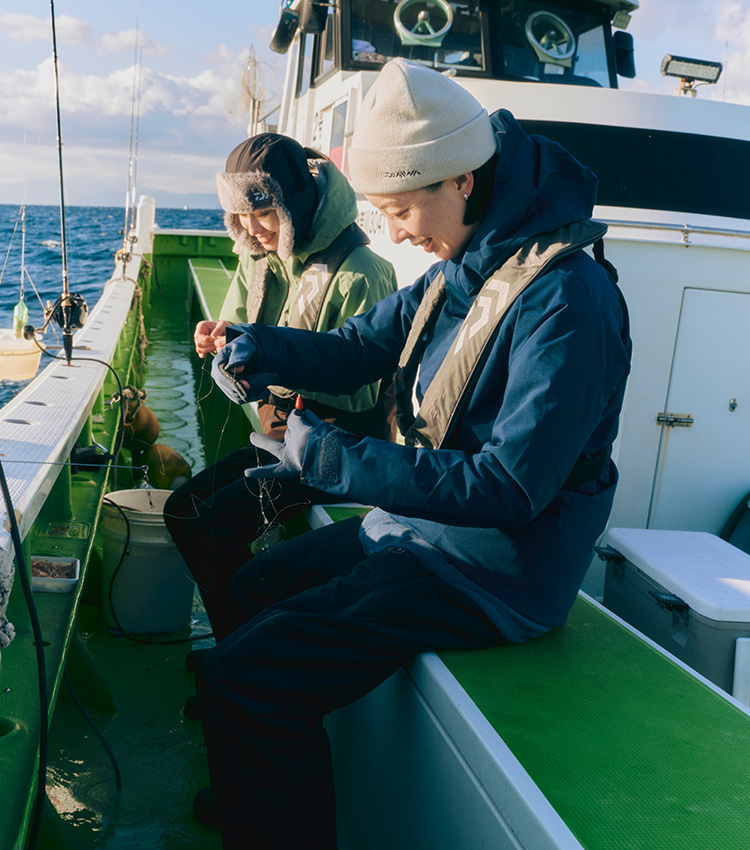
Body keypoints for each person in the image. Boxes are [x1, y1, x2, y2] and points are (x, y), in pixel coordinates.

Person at [194, 58, 631, 849]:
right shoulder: (466, 264)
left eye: (399, 209)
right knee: (257, 584)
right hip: (423, 530)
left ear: (461, 180)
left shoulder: (569, 301)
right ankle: (259, 782)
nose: (393, 232)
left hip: (491, 571)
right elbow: (358, 348)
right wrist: (258, 346)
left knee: (244, 680)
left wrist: (330, 462)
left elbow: (510, 488)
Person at [164, 133, 398, 643]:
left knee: (214, 527)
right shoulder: (261, 259)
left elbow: (361, 395)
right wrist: (216, 339)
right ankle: (237, 646)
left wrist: (272, 378)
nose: (252, 228)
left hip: (338, 451)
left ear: (294, 201)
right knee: (182, 510)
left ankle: (237, 653)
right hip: (280, 439)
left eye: (264, 212)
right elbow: (235, 329)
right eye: (240, 217)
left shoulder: (363, 271)